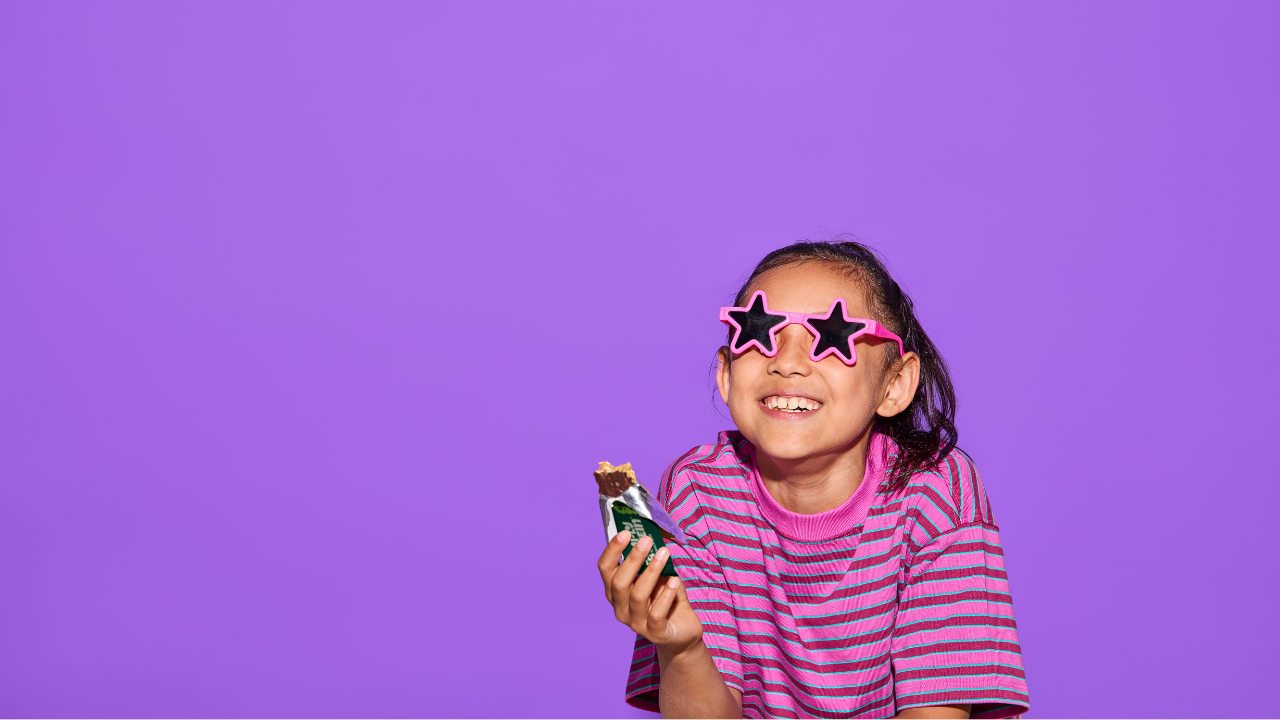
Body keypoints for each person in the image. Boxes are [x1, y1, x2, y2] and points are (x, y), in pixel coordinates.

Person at [596, 241, 1029, 718]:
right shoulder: (696, 490)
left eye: (832, 336)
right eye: (758, 331)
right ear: (725, 373)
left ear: (894, 385)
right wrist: (681, 648)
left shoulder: (938, 491)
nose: (788, 362)